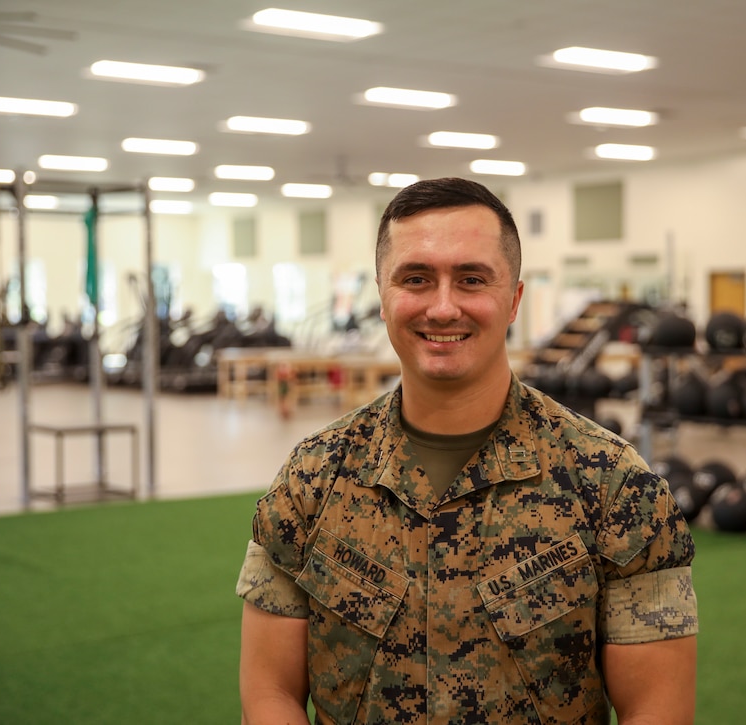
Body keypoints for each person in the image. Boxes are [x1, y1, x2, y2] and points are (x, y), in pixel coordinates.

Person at [236, 177, 698, 724]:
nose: (443, 307)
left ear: (514, 300)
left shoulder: (613, 485)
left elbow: (656, 708)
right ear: (383, 298)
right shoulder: (312, 480)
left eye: (472, 279)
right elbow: (270, 693)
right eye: (416, 279)